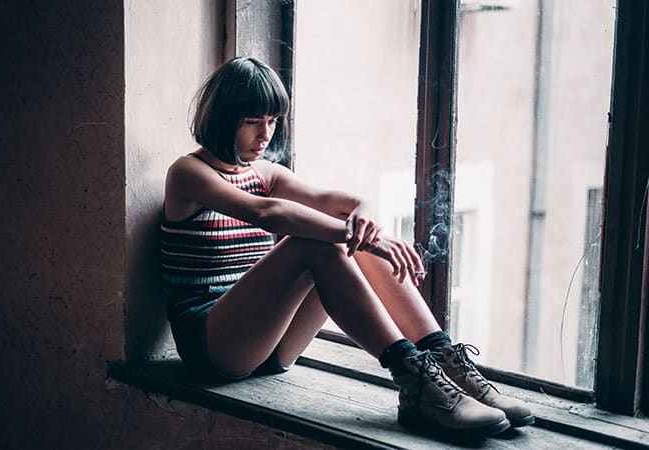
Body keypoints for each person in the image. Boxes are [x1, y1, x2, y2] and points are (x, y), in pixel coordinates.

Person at [161, 56, 533, 440]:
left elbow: (351, 202)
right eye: (253, 121)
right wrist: (360, 236)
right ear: (224, 117)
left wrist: (367, 227)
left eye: (272, 121)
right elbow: (268, 212)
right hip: (212, 344)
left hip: (270, 344)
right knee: (316, 243)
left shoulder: (265, 173)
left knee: (351, 237)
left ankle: (445, 364)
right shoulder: (189, 173)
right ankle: (414, 382)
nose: (266, 134)